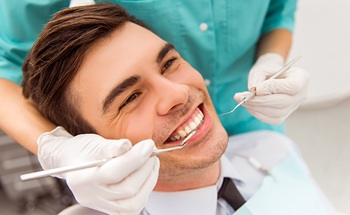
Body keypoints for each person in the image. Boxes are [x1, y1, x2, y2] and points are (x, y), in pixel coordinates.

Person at [22, 3, 334, 215]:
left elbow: (279, 11)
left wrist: (271, 59)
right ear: (91, 144)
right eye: (130, 98)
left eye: (170, 63)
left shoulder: (274, 150)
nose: (178, 92)